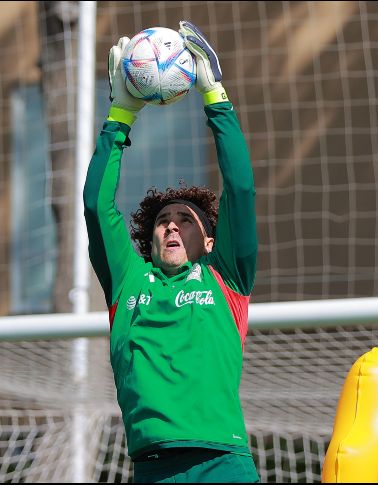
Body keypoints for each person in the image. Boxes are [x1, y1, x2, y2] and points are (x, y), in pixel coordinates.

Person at [83, 20, 259, 483]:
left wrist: (214, 96)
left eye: (185, 220)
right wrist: (121, 112)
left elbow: (240, 188)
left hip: (223, 462)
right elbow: (96, 206)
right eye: (163, 221)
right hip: (152, 468)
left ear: (210, 242)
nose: (172, 226)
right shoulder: (130, 281)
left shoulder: (227, 279)